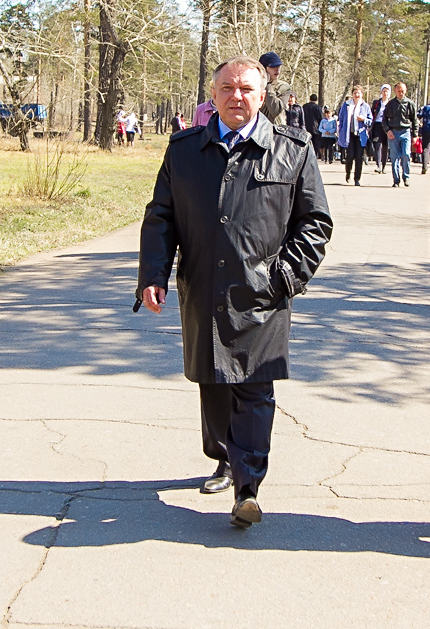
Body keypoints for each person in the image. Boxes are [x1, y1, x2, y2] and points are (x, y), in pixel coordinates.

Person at [136, 54, 333, 529]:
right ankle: (223, 457)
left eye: (246, 89)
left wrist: (283, 278)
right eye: (227, 88)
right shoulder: (184, 150)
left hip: (262, 294)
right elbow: (160, 216)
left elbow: (315, 223)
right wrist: (153, 275)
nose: (236, 97)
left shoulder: (293, 148)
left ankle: (249, 487)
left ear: (262, 97)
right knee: (213, 382)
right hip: (203, 287)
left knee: (254, 386)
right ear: (213, 94)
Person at [338, 85, 372, 187]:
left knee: (359, 157)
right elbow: (341, 119)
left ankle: (357, 178)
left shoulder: (365, 106)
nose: (357, 95)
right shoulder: (347, 105)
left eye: (359, 93)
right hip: (349, 135)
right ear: (352, 94)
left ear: (362, 94)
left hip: (360, 135)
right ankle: (348, 172)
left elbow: (370, 121)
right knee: (350, 156)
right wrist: (341, 131)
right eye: (355, 93)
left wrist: (363, 120)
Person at [384, 82, 416, 188]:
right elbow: (384, 120)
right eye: (399, 91)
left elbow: (415, 120)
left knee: (406, 154)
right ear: (395, 91)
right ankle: (396, 180)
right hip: (393, 132)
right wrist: (388, 130)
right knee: (394, 157)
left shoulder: (410, 103)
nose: (401, 93)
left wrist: (415, 135)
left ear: (405, 91)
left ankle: (406, 176)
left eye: (402, 91)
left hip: (405, 131)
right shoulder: (390, 104)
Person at [259, 52, 291, 124]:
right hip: (257, 129)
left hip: (276, 130)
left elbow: (275, 110)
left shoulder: (283, 87)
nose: (277, 69)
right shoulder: (254, 85)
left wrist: (267, 85)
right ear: (263, 68)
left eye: (278, 67)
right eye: (273, 67)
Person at [369, 84, 392, 174]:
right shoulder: (377, 103)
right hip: (377, 125)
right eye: (384, 91)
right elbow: (371, 114)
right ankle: (378, 165)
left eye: (387, 91)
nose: (385, 93)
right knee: (377, 145)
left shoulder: (391, 104)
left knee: (385, 146)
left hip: (387, 126)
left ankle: (383, 166)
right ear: (381, 92)